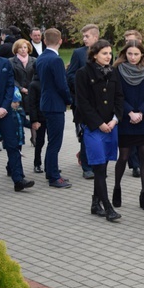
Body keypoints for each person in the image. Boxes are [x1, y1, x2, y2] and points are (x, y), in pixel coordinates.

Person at [75, 39, 123, 222]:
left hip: (111, 126)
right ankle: (108, 207)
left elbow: (119, 97)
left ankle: (95, 203)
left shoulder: (113, 72)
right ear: (95, 55)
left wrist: (115, 119)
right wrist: (98, 123)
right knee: (99, 167)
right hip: (94, 127)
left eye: (110, 53)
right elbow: (83, 103)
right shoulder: (83, 73)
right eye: (104, 53)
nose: (108, 57)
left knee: (104, 166)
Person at [0, 31, 35, 193]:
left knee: (13, 145)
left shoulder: (4, 63)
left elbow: (9, 87)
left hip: (5, 112)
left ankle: (18, 179)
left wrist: (4, 107)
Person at [113, 40, 144, 211]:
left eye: (136, 54)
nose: (133, 57)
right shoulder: (117, 70)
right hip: (126, 118)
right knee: (123, 156)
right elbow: (117, 95)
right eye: (130, 54)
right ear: (125, 53)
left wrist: (141, 113)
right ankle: (117, 188)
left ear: (142, 54)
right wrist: (130, 112)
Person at [34, 28, 72, 188]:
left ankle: (51, 170)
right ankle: (54, 177)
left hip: (45, 102)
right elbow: (61, 85)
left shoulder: (41, 58)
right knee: (55, 142)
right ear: (61, 41)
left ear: (44, 41)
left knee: (52, 141)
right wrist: (69, 99)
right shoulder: (55, 60)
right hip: (55, 105)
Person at [66, 23, 100, 179]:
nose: (84, 39)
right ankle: (87, 166)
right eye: (83, 36)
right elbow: (70, 75)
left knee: (98, 132)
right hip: (82, 100)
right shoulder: (78, 53)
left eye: (87, 36)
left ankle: (96, 161)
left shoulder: (104, 51)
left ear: (96, 37)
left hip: (100, 101)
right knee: (85, 132)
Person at [9, 39, 36, 140]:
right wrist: (20, 88)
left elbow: (36, 76)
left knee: (33, 116)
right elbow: (11, 78)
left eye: (25, 47)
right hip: (17, 94)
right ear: (16, 49)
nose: (23, 50)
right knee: (20, 116)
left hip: (31, 92)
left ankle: (34, 138)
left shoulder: (34, 60)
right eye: (20, 48)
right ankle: (19, 136)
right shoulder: (11, 61)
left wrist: (31, 87)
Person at [25, 71, 46, 173]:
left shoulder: (48, 81)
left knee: (53, 141)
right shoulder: (34, 84)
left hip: (50, 115)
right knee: (40, 141)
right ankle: (37, 163)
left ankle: (50, 164)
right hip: (40, 117)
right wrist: (34, 120)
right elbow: (31, 104)